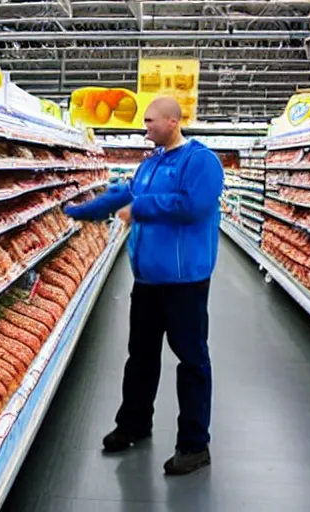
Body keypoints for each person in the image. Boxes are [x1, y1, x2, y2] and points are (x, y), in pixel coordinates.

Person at [64, 96, 224, 475]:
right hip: (147, 282)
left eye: (150, 121)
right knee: (140, 357)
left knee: (192, 362)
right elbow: (125, 194)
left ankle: (194, 444)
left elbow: (192, 205)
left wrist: (141, 209)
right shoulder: (150, 163)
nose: (145, 127)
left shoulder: (201, 161)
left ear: (172, 121)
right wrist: (77, 211)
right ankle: (133, 424)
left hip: (184, 283)